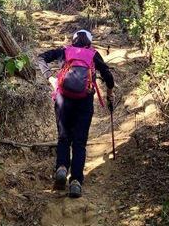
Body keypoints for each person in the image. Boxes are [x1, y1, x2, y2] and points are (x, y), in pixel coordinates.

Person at [37, 29, 115, 198]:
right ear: (89, 42)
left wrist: (50, 78)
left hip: (62, 99)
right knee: (79, 142)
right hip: (84, 102)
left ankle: (62, 168)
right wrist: (109, 93)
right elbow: (108, 76)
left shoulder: (64, 51)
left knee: (64, 137)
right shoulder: (93, 54)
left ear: (73, 41)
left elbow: (40, 57)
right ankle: (76, 183)